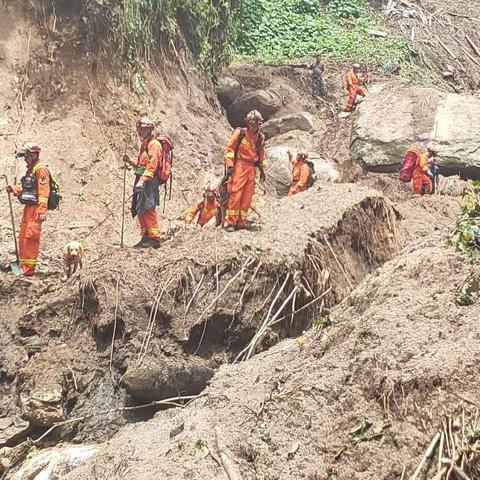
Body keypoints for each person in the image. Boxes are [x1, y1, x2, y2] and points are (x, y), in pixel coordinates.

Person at [7, 143, 50, 276]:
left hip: (36, 209)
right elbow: (29, 191)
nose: (25, 159)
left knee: (31, 237)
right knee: (24, 236)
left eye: (26, 156)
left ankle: (29, 269)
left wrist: (42, 210)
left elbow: (43, 192)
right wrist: (15, 189)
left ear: (33, 155)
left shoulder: (40, 169)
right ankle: (24, 266)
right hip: (29, 208)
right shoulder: (31, 170)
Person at [224, 110, 267, 231]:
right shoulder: (240, 133)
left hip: (251, 168)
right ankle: (231, 222)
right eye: (252, 123)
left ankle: (242, 221)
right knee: (236, 192)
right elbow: (230, 149)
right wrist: (230, 165)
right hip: (239, 166)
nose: (254, 126)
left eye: (257, 124)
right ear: (248, 123)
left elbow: (261, 153)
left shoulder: (260, 137)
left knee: (247, 195)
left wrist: (263, 169)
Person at [124, 116, 163, 248]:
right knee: (140, 208)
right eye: (140, 128)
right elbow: (142, 165)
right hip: (141, 179)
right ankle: (145, 235)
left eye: (144, 129)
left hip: (149, 182)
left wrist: (143, 180)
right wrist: (130, 162)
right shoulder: (145, 144)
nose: (141, 131)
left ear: (149, 130)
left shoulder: (154, 145)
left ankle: (155, 238)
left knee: (148, 208)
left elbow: (152, 165)